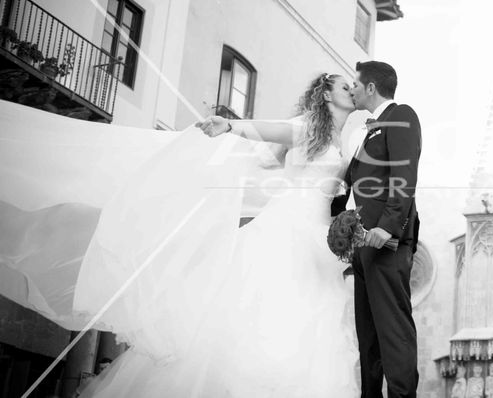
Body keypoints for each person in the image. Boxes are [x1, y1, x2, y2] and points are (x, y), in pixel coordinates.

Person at [0, 73, 363, 397]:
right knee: (260, 315)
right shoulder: (305, 130)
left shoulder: (344, 143)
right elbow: (261, 129)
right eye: (344, 85)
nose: (352, 88)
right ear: (326, 95)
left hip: (317, 242)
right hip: (283, 231)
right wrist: (228, 126)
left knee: (314, 328)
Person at [333, 60, 422, 398]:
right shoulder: (365, 130)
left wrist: (388, 226)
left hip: (387, 242)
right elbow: (350, 185)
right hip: (361, 245)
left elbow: (404, 173)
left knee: (393, 331)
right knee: (368, 336)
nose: (352, 89)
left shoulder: (402, 116)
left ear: (371, 87)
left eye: (355, 84)